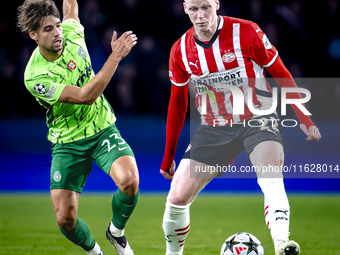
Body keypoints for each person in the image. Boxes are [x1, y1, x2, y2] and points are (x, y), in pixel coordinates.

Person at [159, 0, 321, 255]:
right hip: (214, 127)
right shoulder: (180, 50)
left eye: (205, 7)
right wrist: (168, 156)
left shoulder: (246, 31)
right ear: (184, 9)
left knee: (270, 175)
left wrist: (304, 117)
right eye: (193, 9)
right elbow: (177, 102)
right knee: (177, 198)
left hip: (258, 119)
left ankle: (282, 244)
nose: (200, 16)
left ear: (216, 4)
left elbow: (280, 72)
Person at [17, 0, 138, 254]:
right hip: (67, 142)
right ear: (33, 35)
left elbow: (70, 6)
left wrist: (66, 14)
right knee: (65, 220)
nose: (57, 32)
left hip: (101, 126)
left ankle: (116, 232)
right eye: (48, 29)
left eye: (58, 25)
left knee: (130, 181)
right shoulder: (35, 75)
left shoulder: (72, 32)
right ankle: (95, 252)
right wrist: (115, 57)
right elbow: (84, 95)